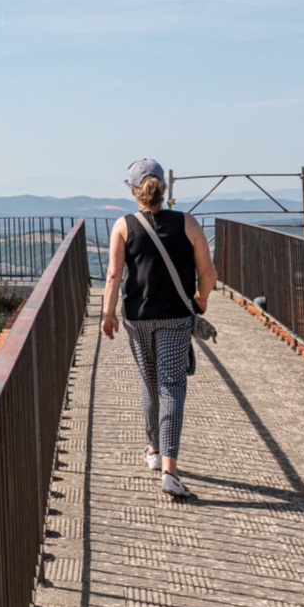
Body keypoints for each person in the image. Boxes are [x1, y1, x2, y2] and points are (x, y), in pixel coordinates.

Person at [102, 158, 216, 500]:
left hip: (137, 317)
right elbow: (208, 273)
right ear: (163, 189)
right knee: (172, 386)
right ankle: (170, 470)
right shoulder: (188, 223)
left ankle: (153, 450)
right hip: (175, 317)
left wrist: (107, 315)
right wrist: (200, 298)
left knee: (149, 382)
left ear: (133, 190)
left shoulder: (123, 225)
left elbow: (113, 275)